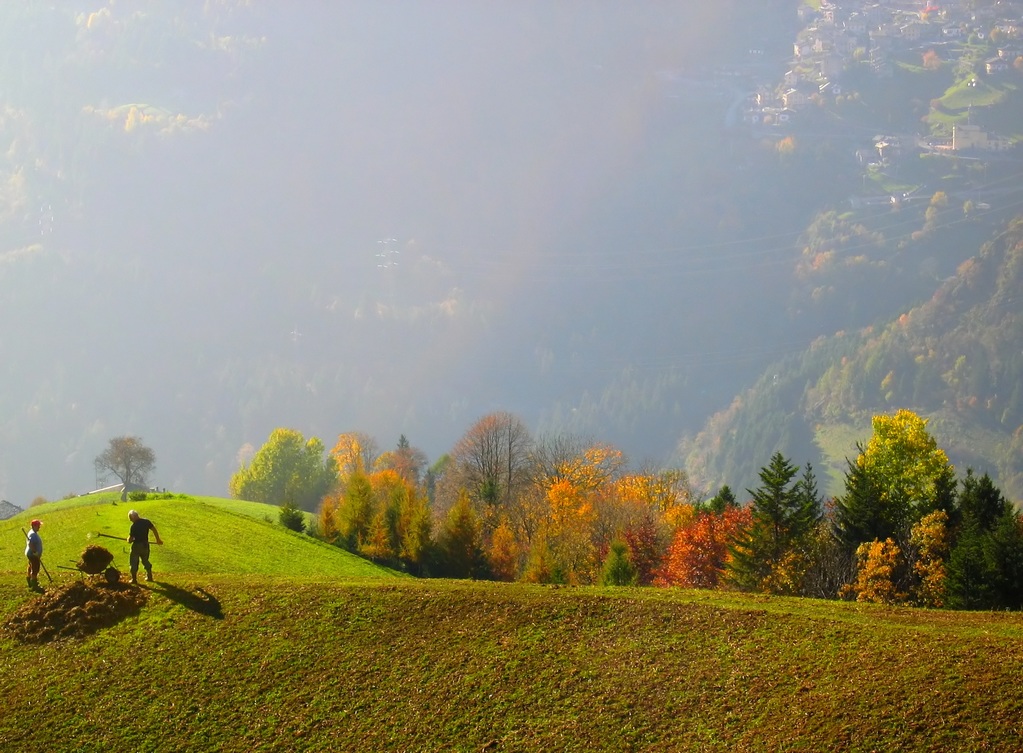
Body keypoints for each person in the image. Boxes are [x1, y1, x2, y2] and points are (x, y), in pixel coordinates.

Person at [127, 509, 163, 584]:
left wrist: (128, 540)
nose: (131, 521)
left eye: (131, 519)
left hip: (137, 546)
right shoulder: (146, 521)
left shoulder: (133, 526)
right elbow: (154, 529)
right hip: (145, 545)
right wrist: (158, 540)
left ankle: (134, 579)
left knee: (133, 562)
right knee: (145, 560)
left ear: (132, 518)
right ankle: (149, 576)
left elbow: (130, 539)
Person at [25, 519, 43, 590]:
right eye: (38, 525)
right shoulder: (33, 534)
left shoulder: (33, 533)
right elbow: (30, 544)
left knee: (31, 566)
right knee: (35, 568)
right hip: (33, 554)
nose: (39, 527)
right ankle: (34, 585)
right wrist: (35, 552)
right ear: (34, 526)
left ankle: (29, 579)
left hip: (31, 554)